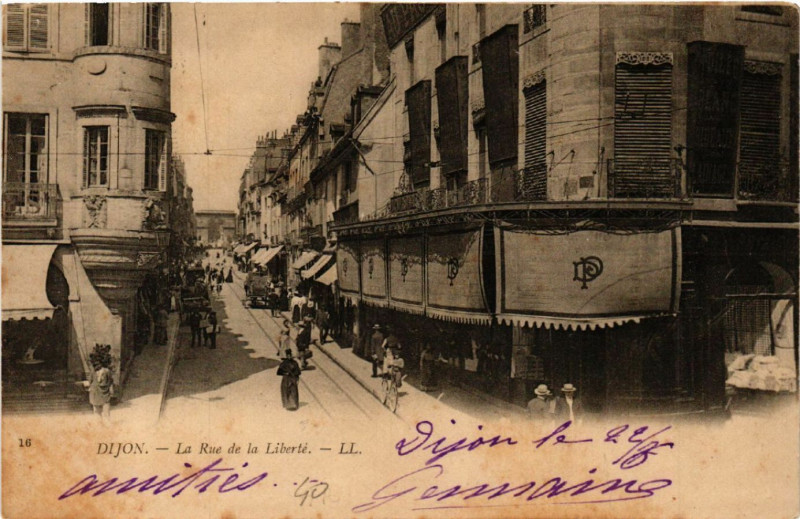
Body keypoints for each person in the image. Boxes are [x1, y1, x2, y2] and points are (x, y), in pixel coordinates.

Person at [88, 345, 114, 423]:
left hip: (95, 393)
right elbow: (110, 382)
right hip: (104, 395)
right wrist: (111, 390)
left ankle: (99, 429)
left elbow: (90, 381)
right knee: (106, 414)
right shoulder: (107, 371)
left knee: (97, 413)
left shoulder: (93, 371)